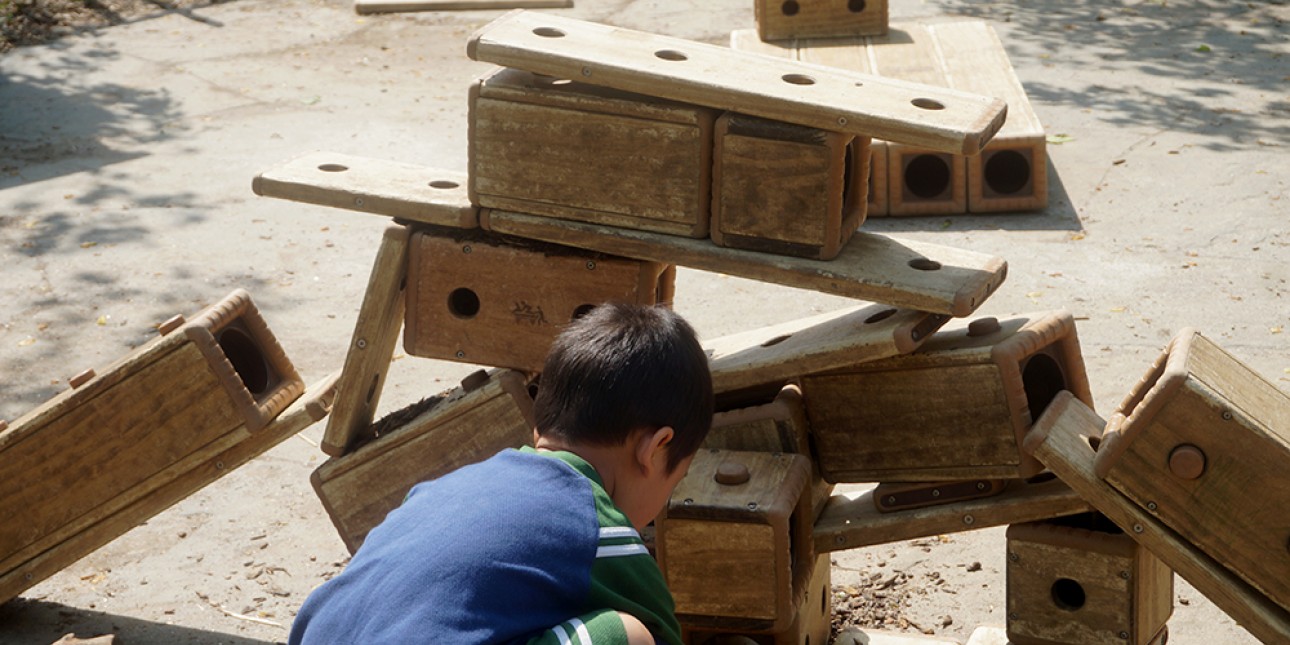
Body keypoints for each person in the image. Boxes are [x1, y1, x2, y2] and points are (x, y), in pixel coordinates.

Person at [289, 303, 714, 645]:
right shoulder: (599, 530)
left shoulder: (439, 491)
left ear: (539, 426)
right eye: (675, 480)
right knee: (628, 636)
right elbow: (660, 632)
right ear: (655, 450)